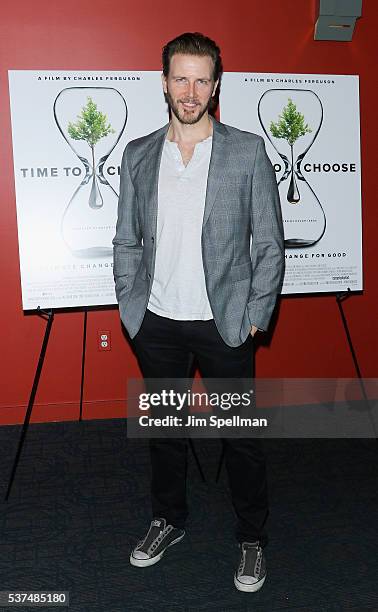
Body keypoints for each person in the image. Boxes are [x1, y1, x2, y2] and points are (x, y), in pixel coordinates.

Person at [113, 32, 285, 593]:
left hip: (225, 322)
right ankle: (168, 520)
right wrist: (128, 301)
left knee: (239, 437)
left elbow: (269, 242)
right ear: (164, 82)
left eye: (201, 80)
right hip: (157, 322)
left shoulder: (247, 150)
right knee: (165, 430)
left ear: (216, 85)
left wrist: (258, 310)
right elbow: (125, 241)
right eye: (180, 78)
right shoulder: (138, 153)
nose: (190, 91)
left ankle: (252, 539)